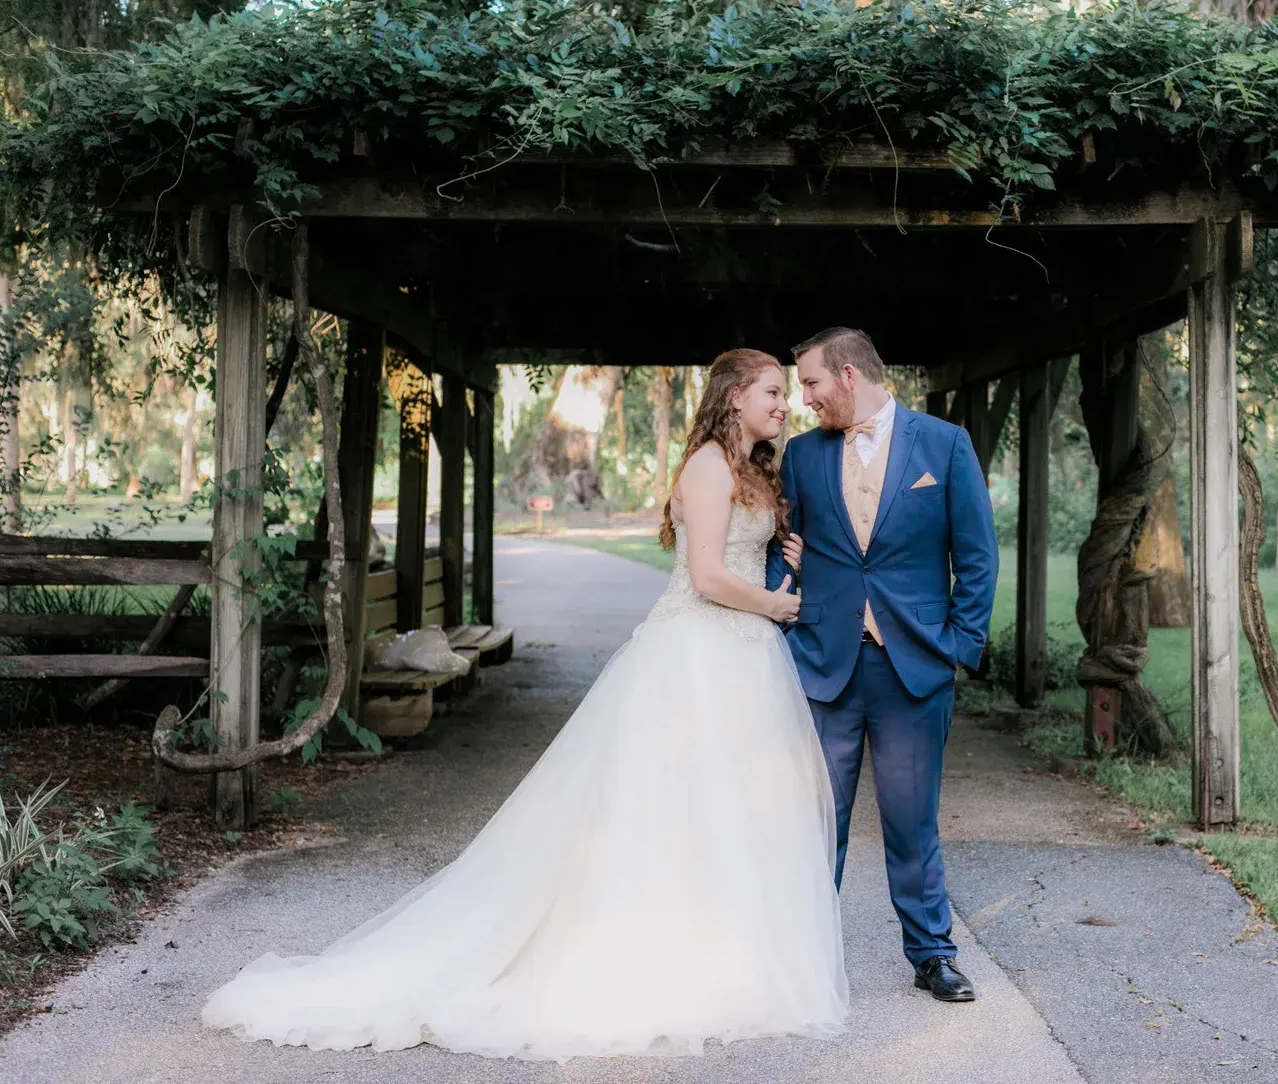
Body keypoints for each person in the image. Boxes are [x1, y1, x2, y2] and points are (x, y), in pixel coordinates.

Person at [202, 349, 848, 1061]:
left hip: (742, 658)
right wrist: (774, 605)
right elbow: (704, 576)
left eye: (785, 394)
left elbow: (744, 549)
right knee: (669, 803)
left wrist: (789, 552)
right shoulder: (707, 467)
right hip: (700, 650)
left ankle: (732, 952)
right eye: (772, 392)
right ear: (732, 397)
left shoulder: (756, 469)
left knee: (727, 806)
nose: (783, 404)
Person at [771, 327, 998, 1002]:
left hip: (914, 669)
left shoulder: (944, 445)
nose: (802, 399)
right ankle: (804, 958)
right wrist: (788, 619)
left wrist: (958, 647)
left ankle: (932, 956)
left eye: (809, 383)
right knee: (817, 820)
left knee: (911, 821)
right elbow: (781, 545)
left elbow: (977, 558)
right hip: (825, 664)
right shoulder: (803, 456)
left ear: (846, 375)